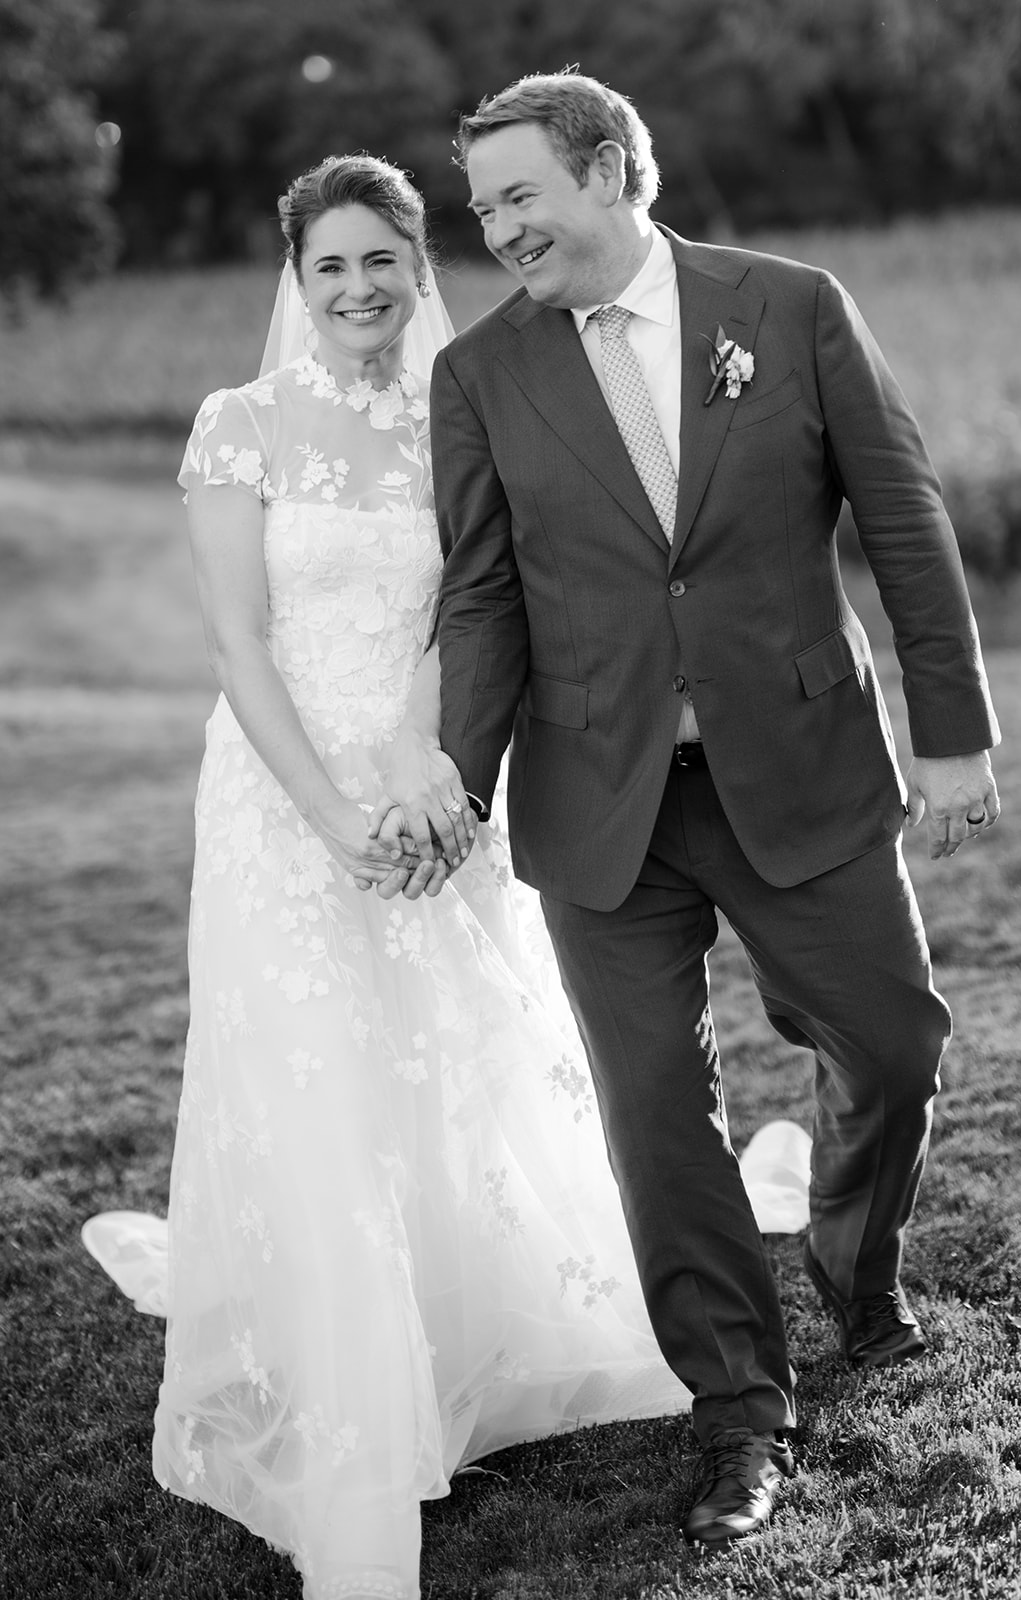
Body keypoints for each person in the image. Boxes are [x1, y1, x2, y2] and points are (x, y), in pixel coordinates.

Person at [410, 71, 1001, 1548]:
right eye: (482, 209)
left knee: (890, 1041)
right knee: (659, 1118)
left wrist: (949, 733)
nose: (496, 231)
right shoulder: (480, 375)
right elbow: (482, 592)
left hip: (797, 766)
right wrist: (456, 773)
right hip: (596, 792)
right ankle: (739, 1407)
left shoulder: (787, 306)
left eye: (519, 197)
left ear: (610, 171)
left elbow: (901, 512)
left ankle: (857, 1281)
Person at [150, 152, 686, 1600]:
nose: (358, 289)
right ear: (294, 280)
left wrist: (426, 772)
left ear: (417, 261)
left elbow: (473, 603)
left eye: (380, 258)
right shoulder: (241, 426)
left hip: (435, 783)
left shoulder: (464, 411)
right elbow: (240, 648)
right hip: (281, 798)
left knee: (450, 1058)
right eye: (328, 267)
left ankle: (458, 1344)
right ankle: (353, 1405)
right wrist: (329, 810)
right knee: (320, 1075)